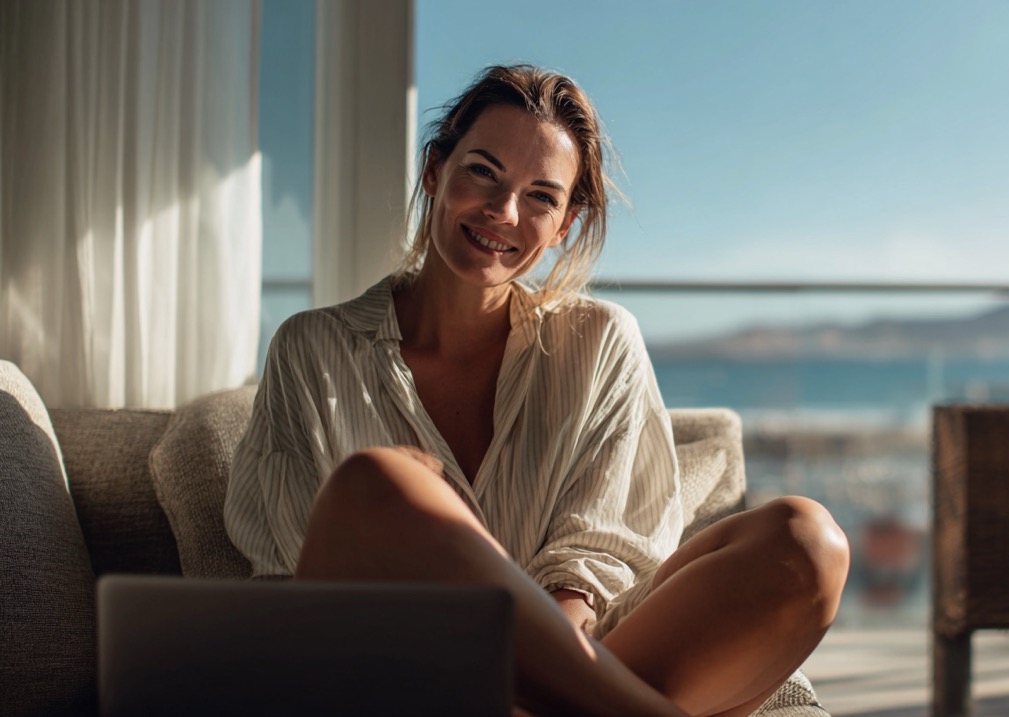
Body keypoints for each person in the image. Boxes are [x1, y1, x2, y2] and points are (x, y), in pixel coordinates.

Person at [225, 64, 850, 717]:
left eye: (541, 197)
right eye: (482, 172)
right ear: (435, 170)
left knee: (807, 540)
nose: (504, 212)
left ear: (566, 225)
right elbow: (307, 569)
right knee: (375, 484)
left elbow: (593, 566)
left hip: (569, 675)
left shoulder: (600, 341)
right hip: (392, 674)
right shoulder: (310, 349)